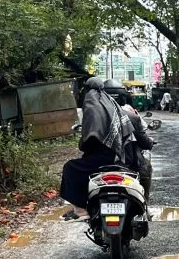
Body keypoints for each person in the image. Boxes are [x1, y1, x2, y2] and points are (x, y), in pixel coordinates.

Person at [59, 77, 137, 221]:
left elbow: (91, 135)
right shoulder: (109, 102)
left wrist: (84, 145)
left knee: (70, 168)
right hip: (118, 154)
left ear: (88, 88)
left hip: (103, 156)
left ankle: (81, 210)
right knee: (82, 166)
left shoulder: (91, 102)